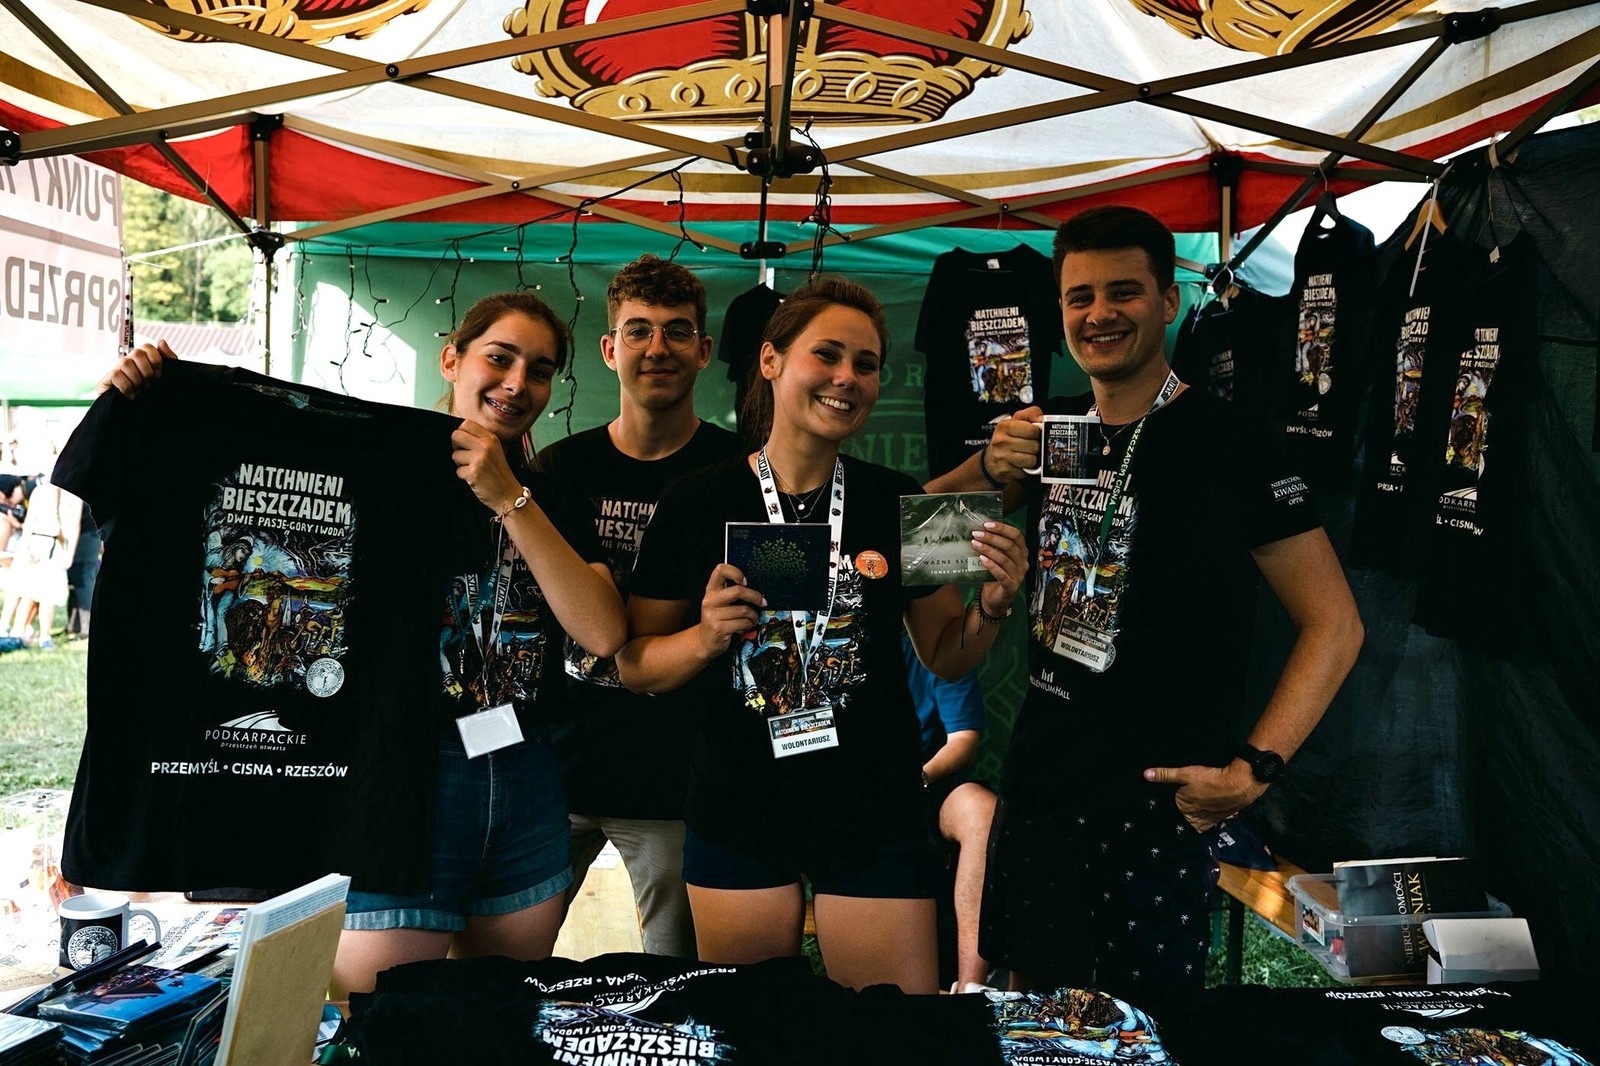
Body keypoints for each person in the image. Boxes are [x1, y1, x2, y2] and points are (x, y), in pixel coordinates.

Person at [100, 292, 628, 998]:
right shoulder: (379, 471)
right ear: (452, 359)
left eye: (539, 370)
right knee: (379, 1013)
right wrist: (150, 396)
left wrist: (509, 497)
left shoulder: (550, 496)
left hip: (524, 772)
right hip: (403, 774)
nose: (517, 383)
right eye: (499, 358)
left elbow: (602, 632)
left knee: (500, 1012)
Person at [929, 205, 1364, 1000]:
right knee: (1036, 1019)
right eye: (1080, 297)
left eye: (1123, 291)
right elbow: (916, 544)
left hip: (1162, 802)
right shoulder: (1048, 434)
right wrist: (986, 468)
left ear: (1168, 300)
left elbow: (1334, 623)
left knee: (1151, 1029)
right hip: (1046, 782)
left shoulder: (1235, 441)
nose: (1099, 314)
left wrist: (1256, 769)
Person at [617, 276, 1029, 994]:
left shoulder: (904, 500)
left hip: (872, 805)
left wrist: (991, 607)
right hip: (739, 800)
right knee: (755, 1027)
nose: (847, 378)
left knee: (888, 1030)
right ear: (770, 361)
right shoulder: (695, 499)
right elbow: (636, 664)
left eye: (866, 364)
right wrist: (706, 636)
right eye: (827, 354)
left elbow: (946, 656)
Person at [539, 255, 744, 958]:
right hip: (558, 767)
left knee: (676, 979)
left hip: (677, 779)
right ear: (609, 349)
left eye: (677, 331)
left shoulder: (741, 473)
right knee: (505, 973)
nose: (658, 347)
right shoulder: (560, 469)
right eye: (639, 331)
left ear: (704, 350)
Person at [901, 633, 999, 993]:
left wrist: (918, 779)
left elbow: (963, 740)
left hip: (924, 780)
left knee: (982, 809)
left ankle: (971, 987)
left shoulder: (934, 642)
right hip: (848, 790)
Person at [1, 475, 83, 650]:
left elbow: (74, 526)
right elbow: (30, 521)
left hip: (55, 546)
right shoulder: (41, 492)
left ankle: (43, 636)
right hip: (35, 542)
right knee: (23, 590)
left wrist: (69, 554)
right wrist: (28, 546)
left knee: (47, 594)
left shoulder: (74, 497)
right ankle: (14, 631)